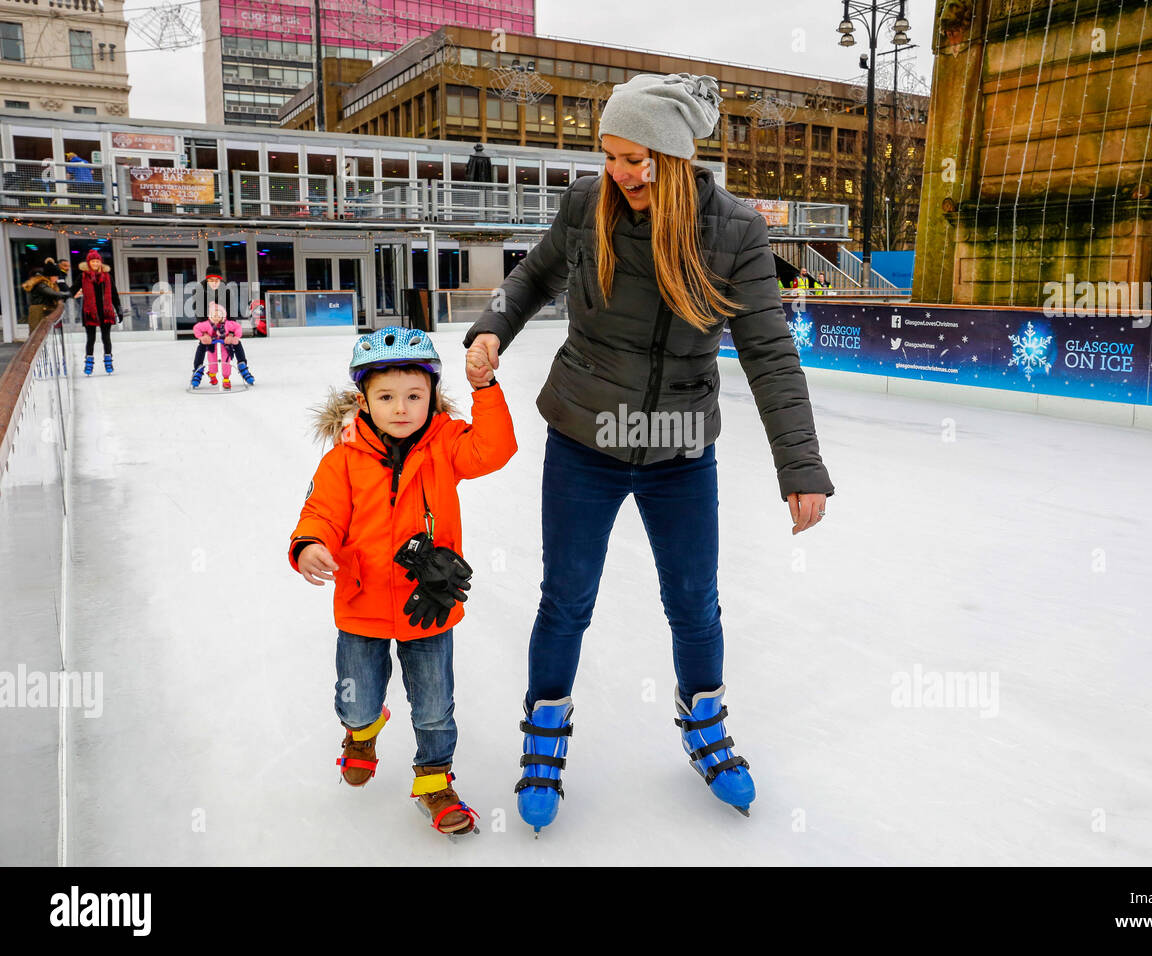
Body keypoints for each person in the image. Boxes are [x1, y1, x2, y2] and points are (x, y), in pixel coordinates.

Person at [462, 71, 834, 833]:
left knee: (694, 602)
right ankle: (544, 732)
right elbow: (531, 275)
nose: (623, 173)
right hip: (584, 434)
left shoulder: (734, 230)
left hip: (677, 445)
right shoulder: (584, 205)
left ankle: (704, 723)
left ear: (674, 154)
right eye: (612, 156)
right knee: (566, 599)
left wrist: (800, 465)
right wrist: (491, 327)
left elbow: (769, 352)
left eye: (639, 159)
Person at [288, 326, 517, 837]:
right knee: (357, 699)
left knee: (435, 709)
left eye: (415, 395)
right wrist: (310, 545)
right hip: (361, 603)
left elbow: (496, 450)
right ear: (362, 399)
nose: (401, 407)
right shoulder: (343, 460)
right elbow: (320, 511)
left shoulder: (447, 444)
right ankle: (363, 732)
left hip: (428, 605)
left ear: (433, 395)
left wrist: (485, 390)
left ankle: (434, 781)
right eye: (386, 396)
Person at [189, 273, 255, 389]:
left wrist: (232, 335)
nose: (214, 282)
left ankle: (242, 365)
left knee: (236, 343)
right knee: (202, 345)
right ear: (207, 281)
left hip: (225, 327)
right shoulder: (200, 292)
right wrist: (203, 335)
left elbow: (233, 316)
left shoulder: (227, 292)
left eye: (216, 280)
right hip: (208, 328)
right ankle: (197, 370)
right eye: (211, 280)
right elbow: (199, 318)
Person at [78, 250, 119, 374]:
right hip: (90, 312)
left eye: (97, 261)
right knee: (91, 339)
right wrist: (62, 295)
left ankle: (108, 361)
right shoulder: (83, 276)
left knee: (106, 338)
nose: (95, 263)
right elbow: (72, 290)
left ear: (100, 262)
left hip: (105, 312)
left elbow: (114, 294)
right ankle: (89, 363)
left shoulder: (107, 276)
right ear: (89, 263)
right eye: (93, 261)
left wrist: (119, 310)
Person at [21, 262, 69, 332]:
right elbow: (52, 293)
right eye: (56, 276)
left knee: (42, 332)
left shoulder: (48, 284)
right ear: (50, 276)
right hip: (37, 311)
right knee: (36, 332)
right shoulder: (41, 284)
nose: (57, 279)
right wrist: (69, 294)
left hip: (42, 309)